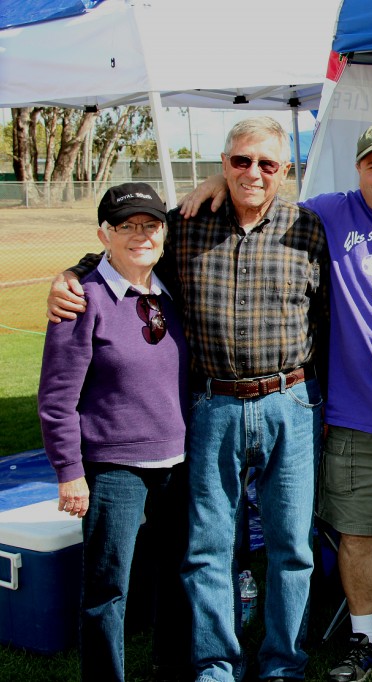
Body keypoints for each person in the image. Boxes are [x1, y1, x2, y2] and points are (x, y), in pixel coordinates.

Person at [178, 122, 372, 682]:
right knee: (355, 535)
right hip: (352, 421)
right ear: (357, 172)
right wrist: (217, 179)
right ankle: (364, 640)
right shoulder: (327, 214)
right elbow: (259, 183)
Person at [48, 117, 329, 682]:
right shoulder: (186, 224)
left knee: (291, 548)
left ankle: (282, 665)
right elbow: (130, 250)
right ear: (223, 164)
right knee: (208, 549)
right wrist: (73, 274)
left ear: (286, 171)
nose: (254, 172)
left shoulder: (307, 228)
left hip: (289, 402)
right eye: (241, 161)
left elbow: (323, 318)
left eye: (267, 164)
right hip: (210, 405)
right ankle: (216, 665)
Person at [37, 183, 191, 682]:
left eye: (150, 224)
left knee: (175, 576)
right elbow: (57, 399)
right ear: (104, 234)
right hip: (113, 468)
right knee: (108, 587)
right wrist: (69, 473)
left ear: (164, 233)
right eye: (126, 226)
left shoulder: (173, 290)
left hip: (178, 463)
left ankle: (170, 668)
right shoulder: (84, 299)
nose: (140, 235)